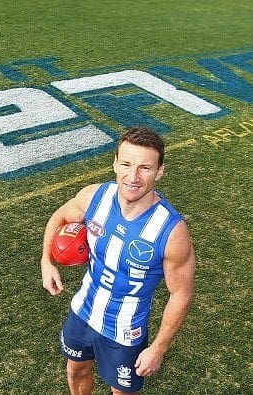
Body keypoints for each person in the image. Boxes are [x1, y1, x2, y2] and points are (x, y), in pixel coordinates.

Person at [40, 126, 195, 394]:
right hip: (82, 311)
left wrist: (158, 347)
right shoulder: (93, 197)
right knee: (75, 369)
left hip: (125, 332)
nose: (132, 176)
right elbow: (60, 216)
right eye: (126, 164)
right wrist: (46, 261)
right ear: (115, 164)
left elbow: (181, 294)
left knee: (121, 391)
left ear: (159, 171)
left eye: (145, 168)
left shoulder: (171, 232)